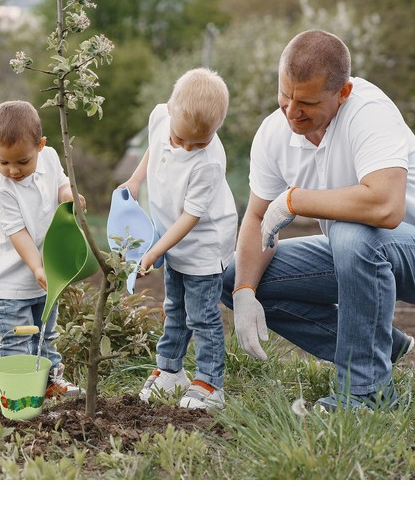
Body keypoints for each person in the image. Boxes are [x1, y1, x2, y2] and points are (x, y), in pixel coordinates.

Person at [222, 29, 415, 411]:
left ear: (343, 92)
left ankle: (364, 394)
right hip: (360, 254)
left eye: (307, 102)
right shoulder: (274, 134)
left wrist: (296, 199)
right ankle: (379, 349)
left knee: (350, 231)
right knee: (235, 274)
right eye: (285, 96)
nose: (292, 112)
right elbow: (257, 216)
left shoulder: (368, 112)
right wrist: (244, 291)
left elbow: (385, 207)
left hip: (403, 249)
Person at [121, 68, 237, 410]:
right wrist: (135, 180)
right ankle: (170, 371)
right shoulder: (161, 117)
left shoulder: (209, 162)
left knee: (201, 314)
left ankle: (210, 383)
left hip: (203, 245)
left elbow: (191, 217)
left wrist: (155, 250)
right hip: (172, 236)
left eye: (198, 142)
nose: (188, 147)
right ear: (170, 110)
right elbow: (153, 147)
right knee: (174, 308)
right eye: (181, 138)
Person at [0, 100, 84, 398]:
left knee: (46, 333)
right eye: (4, 162)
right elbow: (19, 235)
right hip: (10, 280)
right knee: (17, 338)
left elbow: (62, 185)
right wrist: (38, 266)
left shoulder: (50, 158)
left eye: (22, 162)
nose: (13, 170)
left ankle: (50, 382)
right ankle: (19, 394)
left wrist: (70, 198)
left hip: (43, 274)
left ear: (40, 146)